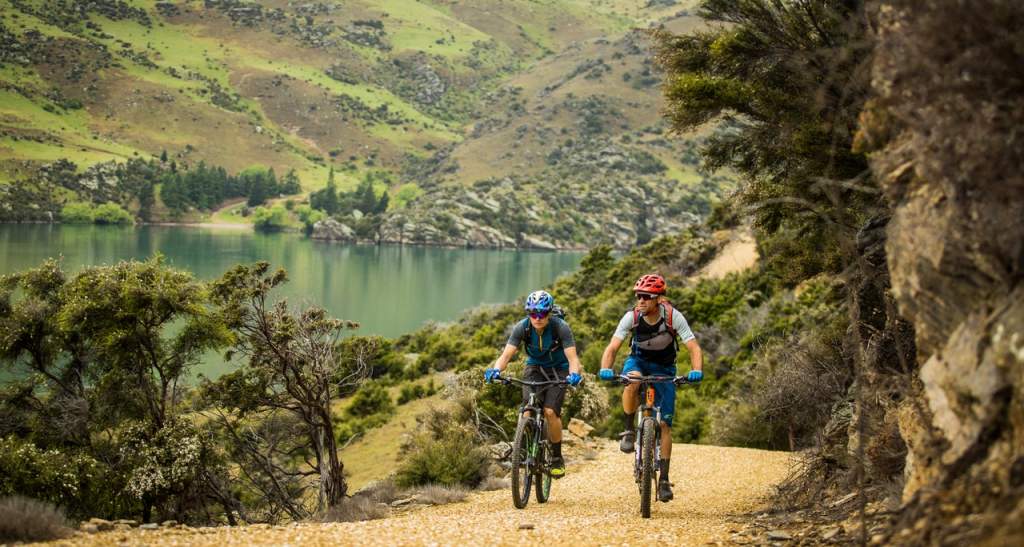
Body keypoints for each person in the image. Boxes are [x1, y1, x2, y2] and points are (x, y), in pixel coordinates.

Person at [598, 273, 703, 502]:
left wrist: (696, 370)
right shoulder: (632, 317)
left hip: (664, 368)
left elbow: (693, 347)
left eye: (646, 296)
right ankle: (628, 430)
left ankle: (664, 480)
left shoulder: (674, 317)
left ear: (658, 299)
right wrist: (606, 367)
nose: (641, 300)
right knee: (632, 381)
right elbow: (613, 346)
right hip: (638, 361)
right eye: (638, 296)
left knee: (665, 424)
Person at [484, 290, 583, 478]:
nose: (537, 318)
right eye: (532, 313)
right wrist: (496, 370)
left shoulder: (560, 327)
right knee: (527, 409)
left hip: (559, 369)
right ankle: (523, 447)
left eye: (542, 313)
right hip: (535, 368)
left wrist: (574, 375)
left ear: (550, 312)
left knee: (550, 411)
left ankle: (556, 457)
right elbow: (506, 355)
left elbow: (573, 359)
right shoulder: (522, 327)